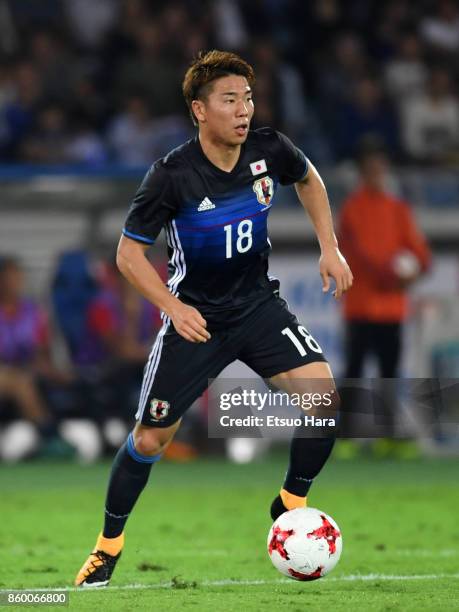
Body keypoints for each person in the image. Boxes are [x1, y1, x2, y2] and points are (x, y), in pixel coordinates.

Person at [75, 50, 353, 587]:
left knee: (326, 403)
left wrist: (330, 246)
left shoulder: (269, 148)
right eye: (230, 100)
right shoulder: (171, 175)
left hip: (257, 308)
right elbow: (128, 256)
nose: (243, 110)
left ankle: (289, 505)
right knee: (152, 440)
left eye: (247, 98)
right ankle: (107, 547)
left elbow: (310, 178)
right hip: (196, 320)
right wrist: (173, 308)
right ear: (200, 111)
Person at [339, 142, 431, 381]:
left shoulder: (399, 209)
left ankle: (387, 421)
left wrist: (413, 273)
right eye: (371, 169)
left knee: (389, 375)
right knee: (354, 373)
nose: (377, 174)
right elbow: (355, 254)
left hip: (391, 309)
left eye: (380, 168)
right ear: (362, 174)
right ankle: (349, 420)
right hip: (360, 307)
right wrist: (390, 276)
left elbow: (422, 255)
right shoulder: (352, 209)